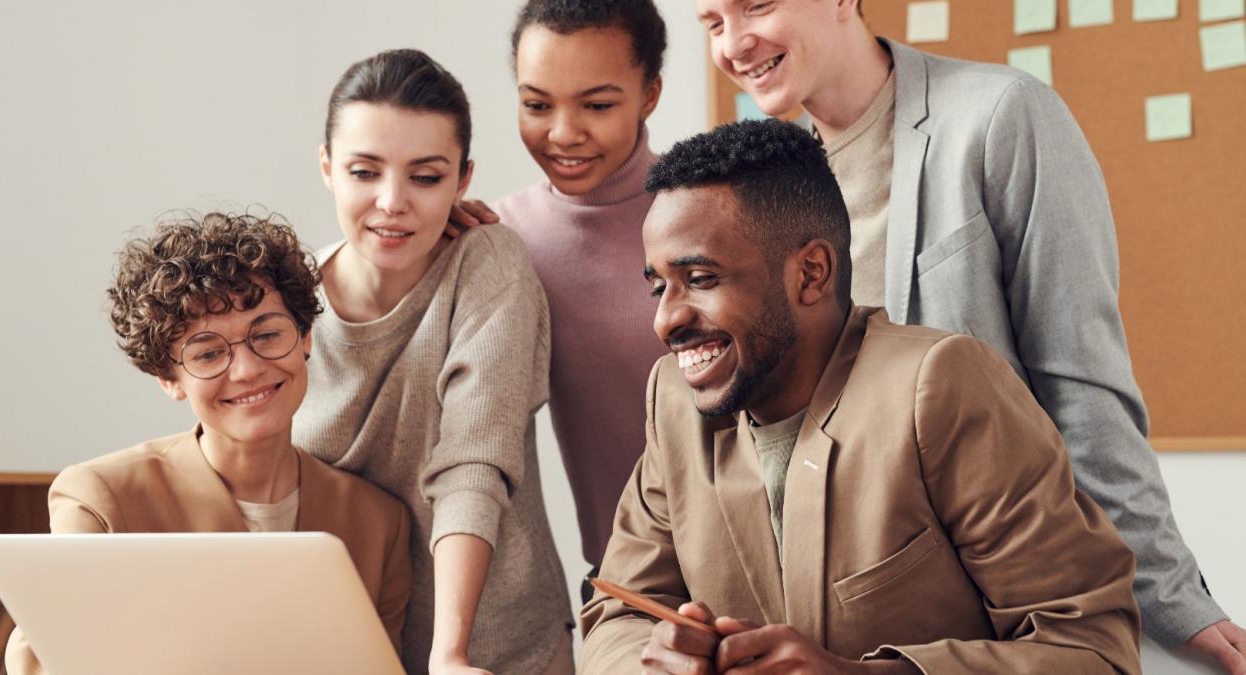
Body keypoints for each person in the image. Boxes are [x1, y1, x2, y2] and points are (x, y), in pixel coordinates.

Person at [695, 0, 1245, 667]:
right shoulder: (759, 188)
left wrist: (1170, 596)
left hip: (1013, 605)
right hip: (850, 624)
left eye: (755, 5)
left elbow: (1084, 387)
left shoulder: (1001, 116)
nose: (733, 45)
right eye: (711, 22)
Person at [580, 119, 1141, 674]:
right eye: (658, 286)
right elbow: (615, 612)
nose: (665, 319)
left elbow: (1093, 650)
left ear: (811, 273)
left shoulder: (940, 387)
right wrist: (653, 662)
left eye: (700, 278)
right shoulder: (674, 399)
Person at [5, 212, 412, 675]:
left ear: (304, 338)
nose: (247, 370)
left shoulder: (379, 523)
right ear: (169, 379)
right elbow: (43, 660)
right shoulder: (101, 497)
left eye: (267, 334)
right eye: (208, 352)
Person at [291, 49, 571, 675]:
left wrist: (451, 654)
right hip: (345, 649)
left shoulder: (486, 264)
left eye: (425, 177)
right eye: (365, 172)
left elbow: (473, 460)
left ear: (462, 179)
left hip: (494, 648)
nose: (392, 202)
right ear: (327, 168)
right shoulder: (287, 298)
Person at [452, 0, 669, 602]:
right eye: (537, 105)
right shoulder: (500, 239)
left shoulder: (708, 208)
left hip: (768, 567)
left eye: (597, 105)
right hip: (626, 587)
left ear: (649, 93)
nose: (563, 133)